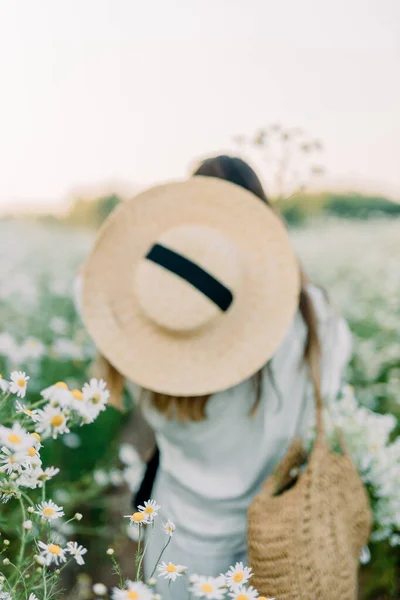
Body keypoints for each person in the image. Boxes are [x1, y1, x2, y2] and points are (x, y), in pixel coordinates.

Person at [76, 156, 352, 598]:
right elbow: (328, 395)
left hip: (174, 547)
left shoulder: (152, 325)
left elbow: (86, 291)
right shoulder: (315, 315)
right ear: (261, 225)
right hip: (278, 543)